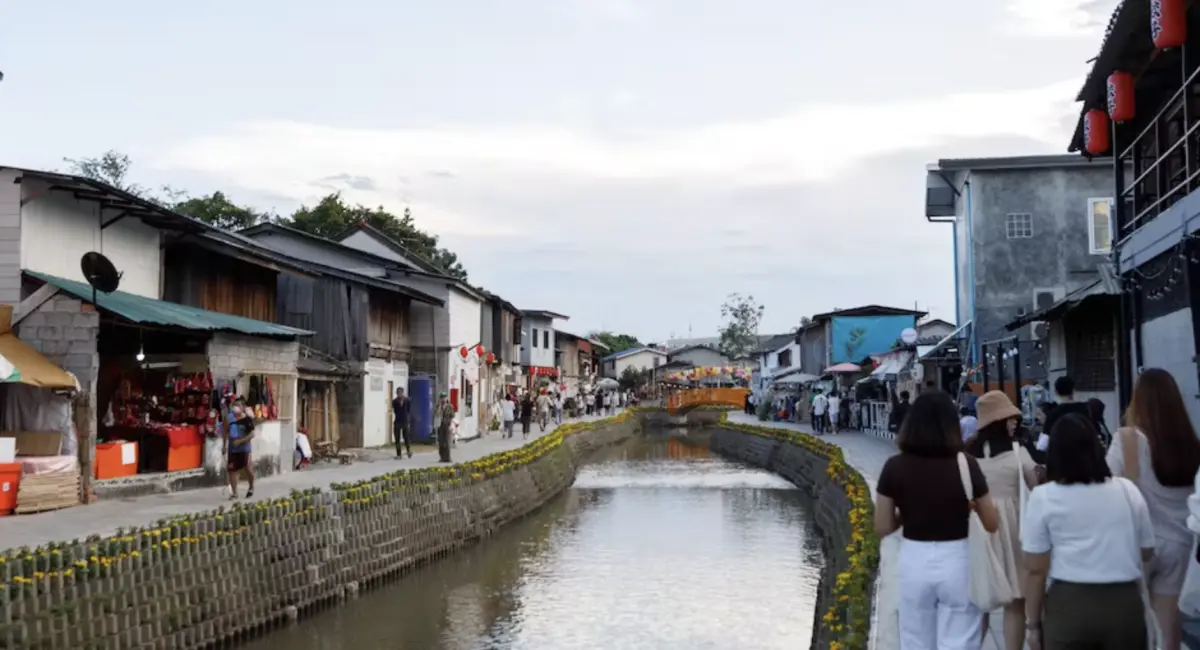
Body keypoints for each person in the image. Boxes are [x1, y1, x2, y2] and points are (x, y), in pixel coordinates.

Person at [875, 391, 999, 649]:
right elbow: (991, 522)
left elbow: (883, 526)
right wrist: (970, 505)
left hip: (914, 560)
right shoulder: (967, 465)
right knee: (959, 639)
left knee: (915, 639)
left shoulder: (894, 467)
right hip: (958, 560)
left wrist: (906, 512)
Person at [1023, 414, 1156, 650]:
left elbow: (1035, 570)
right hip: (1124, 605)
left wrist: (1033, 625)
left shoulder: (1043, 497)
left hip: (1069, 604)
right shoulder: (1128, 491)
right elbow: (1147, 551)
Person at [1107, 368, 1200, 650]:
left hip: (1139, 543)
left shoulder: (1126, 439)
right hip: (1181, 544)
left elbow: (1109, 486)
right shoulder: (1190, 442)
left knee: (1134, 629)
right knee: (1168, 633)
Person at [966, 391, 1040, 650]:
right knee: (1016, 600)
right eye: (1010, 419)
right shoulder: (1019, 453)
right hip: (1013, 530)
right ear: (998, 421)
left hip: (977, 529)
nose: (1014, 423)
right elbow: (1036, 487)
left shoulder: (968, 455)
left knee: (978, 601)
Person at [1041, 376, 1089, 442]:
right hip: (1084, 449)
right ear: (1073, 390)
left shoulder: (1053, 414)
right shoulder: (1085, 409)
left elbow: (1045, 442)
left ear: (1056, 392)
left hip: (1061, 450)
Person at [225, 399, 257, 500]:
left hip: (244, 449)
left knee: (248, 470)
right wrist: (223, 445)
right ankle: (234, 493)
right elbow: (225, 432)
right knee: (232, 470)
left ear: (243, 407)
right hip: (232, 449)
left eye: (238, 405)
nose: (236, 407)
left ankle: (251, 486)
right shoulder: (229, 418)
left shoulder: (247, 419)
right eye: (234, 405)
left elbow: (252, 434)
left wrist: (241, 441)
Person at [391, 387, 412, 459]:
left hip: (405, 420)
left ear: (403, 393)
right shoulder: (394, 401)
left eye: (400, 393)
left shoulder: (407, 400)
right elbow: (395, 411)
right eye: (398, 393)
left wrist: (407, 418)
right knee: (397, 438)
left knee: (406, 437)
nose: (399, 394)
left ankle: (408, 451)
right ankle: (398, 454)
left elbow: (408, 410)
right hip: (397, 421)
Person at [434, 392, 454, 463]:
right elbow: (436, 415)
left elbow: (452, 416)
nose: (443, 399)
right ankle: (442, 457)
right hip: (440, 425)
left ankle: (448, 457)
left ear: (446, 398)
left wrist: (451, 425)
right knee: (441, 442)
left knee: (447, 442)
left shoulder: (450, 406)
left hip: (447, 425)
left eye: (444, 397)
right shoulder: (438, 406)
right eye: (441, 397)